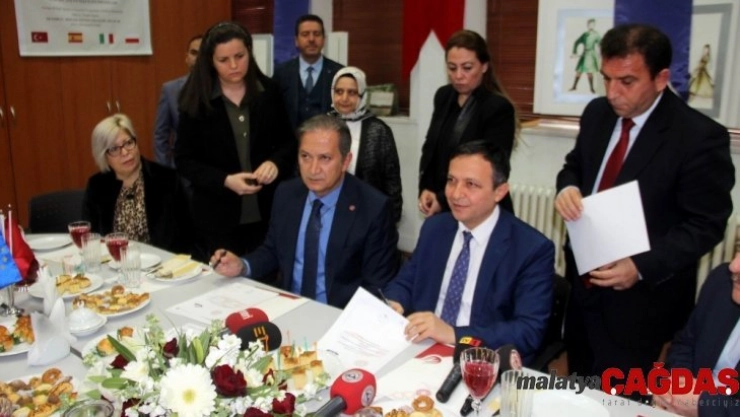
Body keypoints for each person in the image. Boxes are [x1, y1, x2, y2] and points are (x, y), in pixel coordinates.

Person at [555, 24, 735, 386]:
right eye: (606, 79)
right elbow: (574, 166)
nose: (612, 93)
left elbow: (706, 224)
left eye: (627, 81)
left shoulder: (698, 137)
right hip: (584, 285)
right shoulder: (597, 113)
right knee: (578, 389)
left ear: (661, 78)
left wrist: (640, 267)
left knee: (620, 397)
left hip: (640, 303)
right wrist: (568, 187)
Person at [385, 141, 554, 363]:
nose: (456, 194)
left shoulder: (531, 249)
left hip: (481, 358)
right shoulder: (435, 228)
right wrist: (395, 302)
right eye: (451, 181)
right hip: (423, 347)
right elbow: (407, 280)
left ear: (499, 191)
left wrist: (454, 335)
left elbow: (528, 331)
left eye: (471, 184)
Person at [212, 115, 399, 309]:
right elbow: (273, 250)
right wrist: (242, 265)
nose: (313, 169)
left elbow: (377, 284)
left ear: (346, 161)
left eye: (325, 158)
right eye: (305, 157)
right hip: (288, 306)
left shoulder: (374, 208)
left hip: (339, 313)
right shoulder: (287, 194)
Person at [176, 22, 296, 261]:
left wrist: (275, 163)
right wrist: (225, 180)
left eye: (239, 56)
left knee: (263, 279)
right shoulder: (196, 100)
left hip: (267, 212)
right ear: (211, 61)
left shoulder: (269, 91)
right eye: (223, 60)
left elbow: (289, 144)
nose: (233, 65)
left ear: (249, 52)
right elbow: (184, 160)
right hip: (217, 217)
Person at [419, 29, 518, 218]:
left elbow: (490, 168)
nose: (458, 75)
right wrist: (427, 188)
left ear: (484, 66)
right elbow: (431, 149)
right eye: (452, 68)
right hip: (444, 201)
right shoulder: (443, 96)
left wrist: (442, 199)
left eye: (467, 68)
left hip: (479, 207)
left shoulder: (497, 107)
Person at [83, 114, 191, 253]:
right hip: (114, 262)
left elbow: (190, 236)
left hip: (163, 263)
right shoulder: (97, 186)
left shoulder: (166, 179)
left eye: (128, 143)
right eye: (114, 149)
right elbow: (91, 239)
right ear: (103, 156)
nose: (125, 152)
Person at [653, 254, 740, 417]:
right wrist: (680, 386)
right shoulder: (722, 281)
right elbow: (686, 343)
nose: (733, 266)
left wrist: (704, 407)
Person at [328, 66, 402, 222]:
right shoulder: (322, 126)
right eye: (339, 92)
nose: (344, 98)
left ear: (362, 95)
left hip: (368, 215)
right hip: (328, 211)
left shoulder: (379, 130)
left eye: (352, 93)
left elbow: (392, 181)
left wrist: (391, 218)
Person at [273, 14, 344, 130]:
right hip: (290, 140)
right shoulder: (281, 73)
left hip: (326, 139)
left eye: (317, 34)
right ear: (296, 41)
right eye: (305, 34)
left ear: (324, 40)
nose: (311, 39)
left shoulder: (339, 73)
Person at [153, 34, 202, 168]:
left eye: (203, 54)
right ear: (187, 57)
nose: (198, 58)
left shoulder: (222, 89)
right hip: (181, 168)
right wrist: (164, 171)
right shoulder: (170, 90)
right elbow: (160, 136)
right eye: (194, 53)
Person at [568, 18, 601, 94]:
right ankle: (574, 86)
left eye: (593, 24)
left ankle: (592, 88)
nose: (591, 26)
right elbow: (576, 42)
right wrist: (574, 52)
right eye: (590, 24)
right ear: (587, 25)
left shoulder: (596, 34)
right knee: (579, 71)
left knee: (589, 72)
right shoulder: (584, 35)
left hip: (591, 55)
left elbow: (601, 44)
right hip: (584, 54)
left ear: (594, 25)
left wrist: (600, 53)